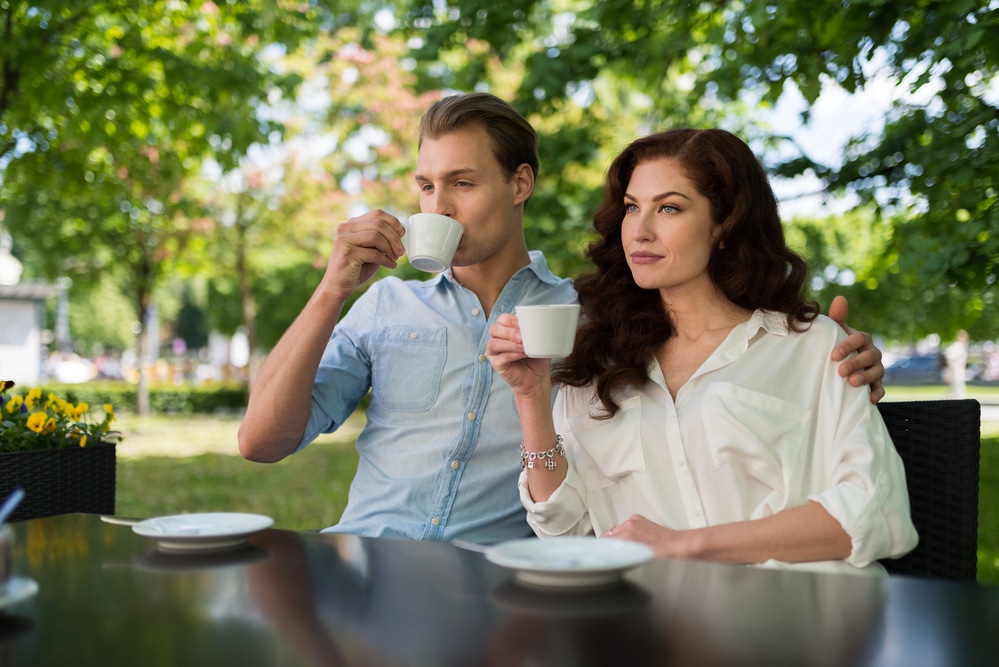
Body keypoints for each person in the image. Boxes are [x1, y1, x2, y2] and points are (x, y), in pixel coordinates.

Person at [238, 94, 887, 544]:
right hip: (364, 557)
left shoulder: (595, 316)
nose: (437, 206)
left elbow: (715, 338)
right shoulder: (384, 304)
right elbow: (260, 443)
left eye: (461, 183)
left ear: (519, 184)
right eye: (425, 186)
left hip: (498, 580)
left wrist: (836, 355)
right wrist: (331, 289)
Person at [486, 128, 916, 574]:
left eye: (669, 208)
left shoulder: (814, 346)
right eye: (633, 207)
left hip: (803, 617)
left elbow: (873, 511)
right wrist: (531, 397)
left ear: (724, 226)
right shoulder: (597, 360)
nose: (640, 230)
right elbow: (563, 530)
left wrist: (682, 545)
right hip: (658, 625)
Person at [945, 330, 970, 398]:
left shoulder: (961, 346)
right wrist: (953, 366)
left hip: (959, 370)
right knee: (957, 388)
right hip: (956, 370)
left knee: (958, 388)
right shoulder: (957, 346)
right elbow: (949, 356)